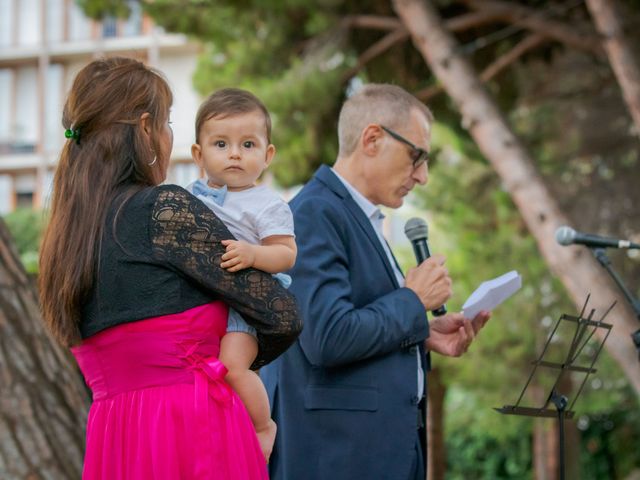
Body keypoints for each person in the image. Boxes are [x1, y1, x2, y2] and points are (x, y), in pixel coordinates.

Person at [38, 57, 302, 480]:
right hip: (192, 427)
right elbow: (280, 312)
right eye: (166, 124)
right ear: (145, 129)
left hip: (114, 434)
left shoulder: (65, 241)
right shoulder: (163, 211)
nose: (167, 136)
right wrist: (231, 361)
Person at [260, 83, 491, 480]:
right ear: (372, 138)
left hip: (376, 453)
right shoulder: (315, 213)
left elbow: (360, 322)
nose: (423, 176)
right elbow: (327, 337)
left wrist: (423, 331)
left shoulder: (356, 218)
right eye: (416, 156)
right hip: (338, 457)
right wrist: (412, 300)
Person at [186, 87, 296, 462]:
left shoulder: (266, 204)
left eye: (248, 144)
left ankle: (263, 425)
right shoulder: (190, 196)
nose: (234, 153)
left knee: (233, 367)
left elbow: (286, 254)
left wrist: (253, 254)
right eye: (221, 143)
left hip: (248, 302)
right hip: (206, 298)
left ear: (267, 155)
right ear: (199, 155)